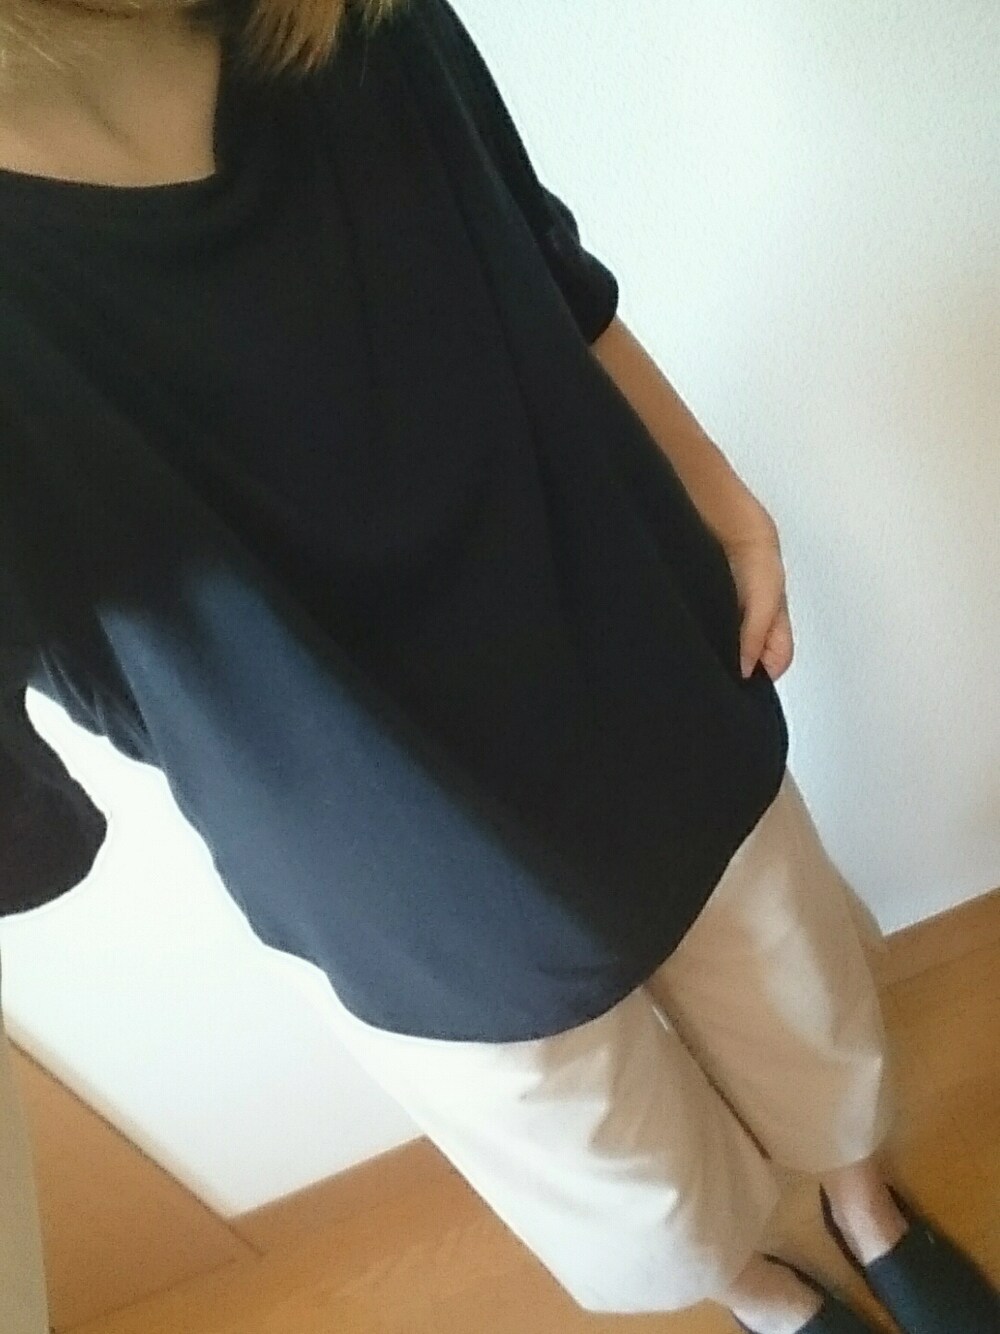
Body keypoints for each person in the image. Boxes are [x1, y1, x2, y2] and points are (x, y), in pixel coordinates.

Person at [0, 3, 995, 1332]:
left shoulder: (357, 25)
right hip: (381, 845)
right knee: (621, 1173)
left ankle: (861, 1206)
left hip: (635, 648)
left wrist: (724, 500)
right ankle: (759, 1286)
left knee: (795, 994)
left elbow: (542, 263)